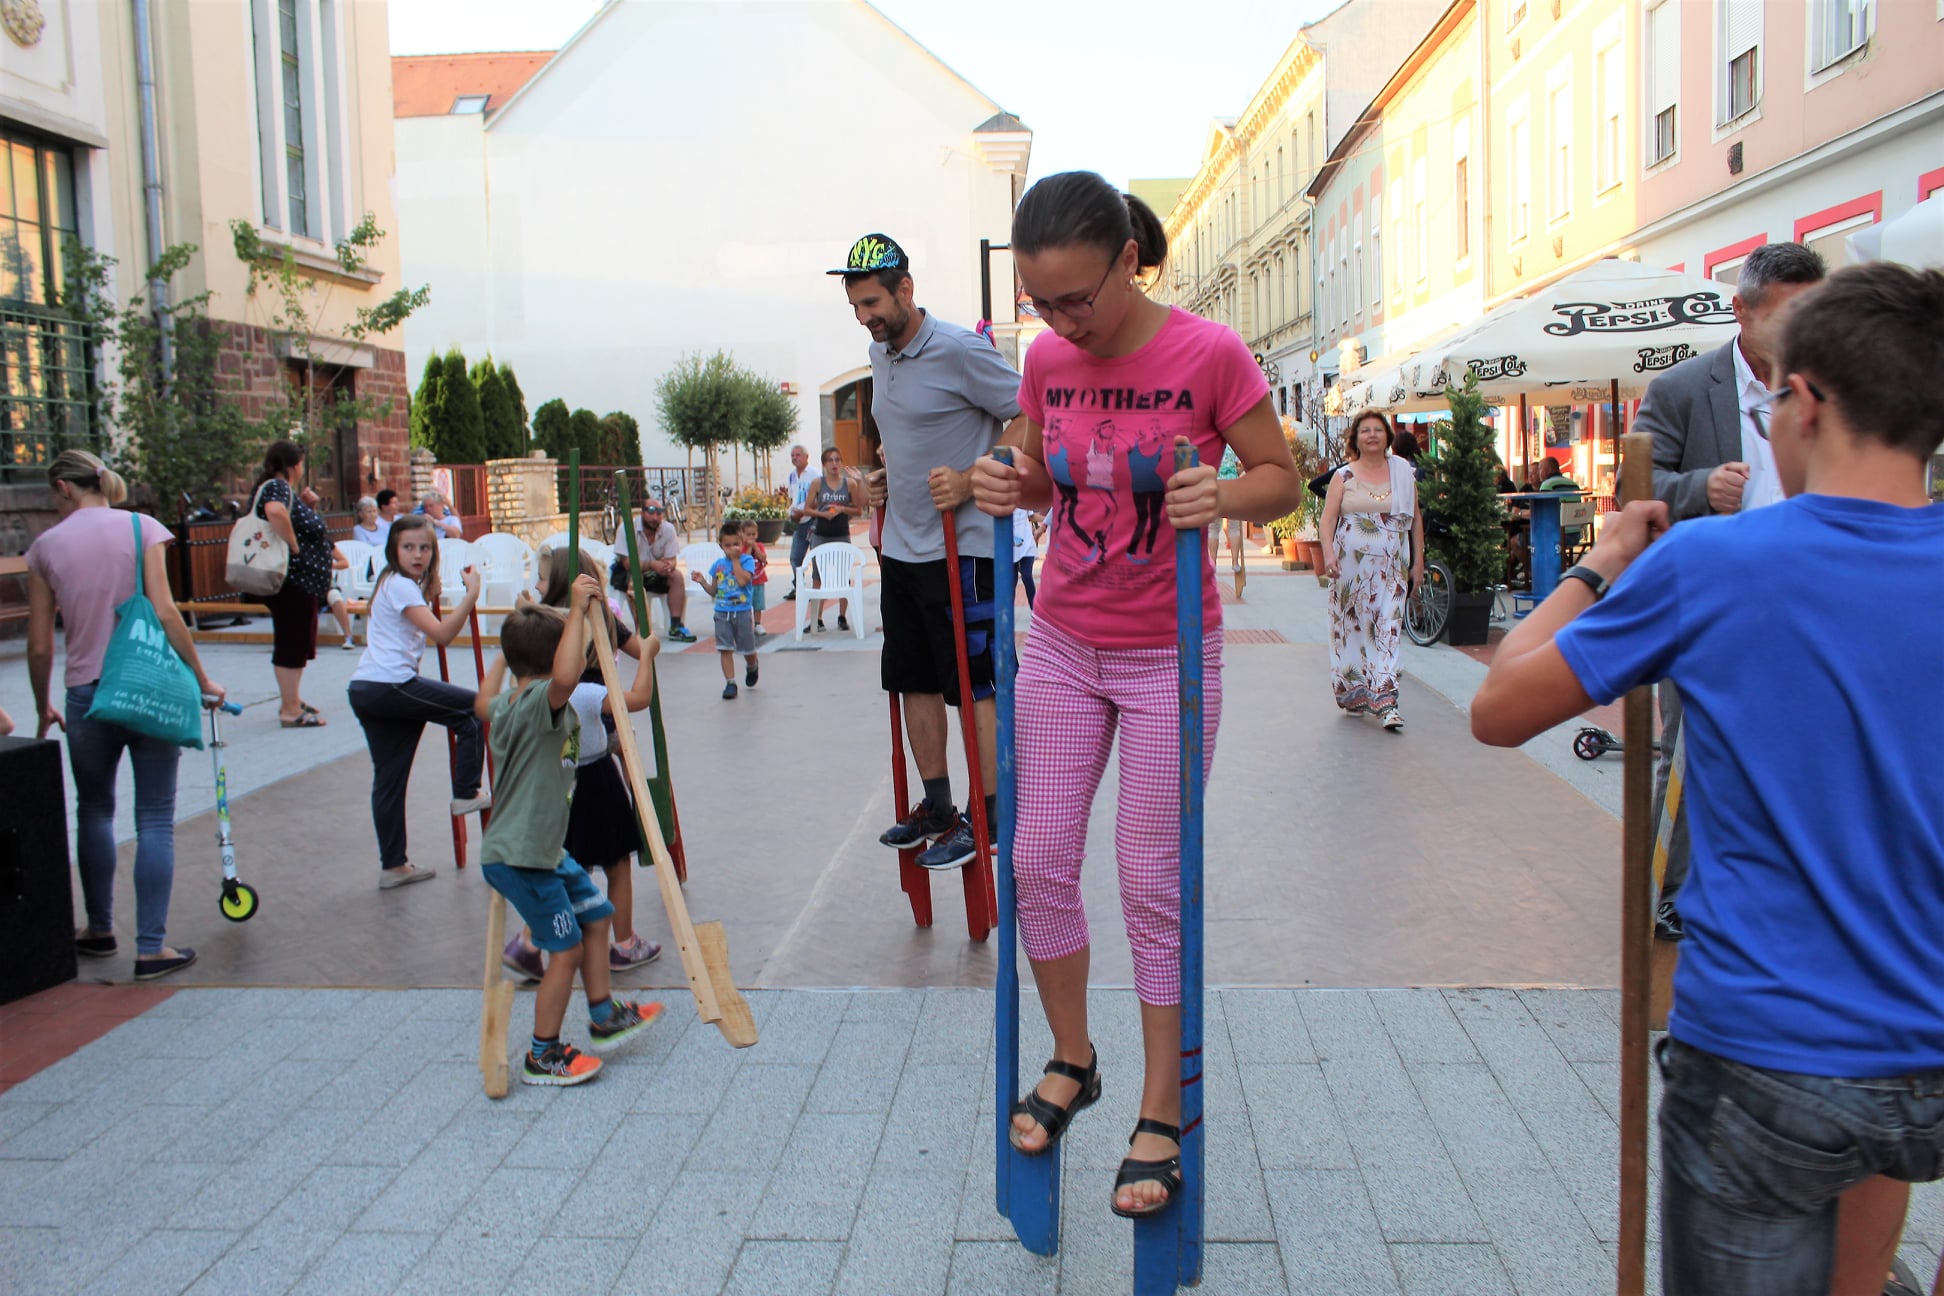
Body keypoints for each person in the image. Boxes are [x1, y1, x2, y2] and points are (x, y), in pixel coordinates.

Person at [1471, 263, 1944, 1296]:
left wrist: (1600, 563)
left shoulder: (1719, 564)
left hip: (1766, 1049)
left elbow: (1499, 707)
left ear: (1805, 401)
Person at [969, 171, 1301, 1218]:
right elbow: (1041, 472)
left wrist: (1222, 492)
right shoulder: (1047, 361)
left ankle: (1163, 1105)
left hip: (1168, 654)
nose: (1064, 322)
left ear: (1127, 261)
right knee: (1034, 862)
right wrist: (1004, 477)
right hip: (1065, 641)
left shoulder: (1210, 352)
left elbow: (1282, 479)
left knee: (1151, 879)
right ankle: (1075, 1056)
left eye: (1078, 298)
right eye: (1043, 304)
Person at [1637, 241, 1826, 939]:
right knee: (1692, 751)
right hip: (1710, 604)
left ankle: (1776, 889)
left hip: (1806, 600)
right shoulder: (1685, 388)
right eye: (1786, 315)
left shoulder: (1827, 387)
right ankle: (1668, 892)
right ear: (1741, 311)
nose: (1800, 331)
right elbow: (1636, 485)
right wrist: (1700, 487)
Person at [832, 231, 1022, 871]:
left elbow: (1029, 415)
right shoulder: (879, 354)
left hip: (964, 550)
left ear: (906, 290)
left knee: (975, 685)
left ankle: (989, 814)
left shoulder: (962, 351)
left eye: (872, 303)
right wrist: (883, 478)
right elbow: (910, 436)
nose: (865, 317)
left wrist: (972, 479)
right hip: (904, 548)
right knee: (911, 677)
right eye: (856, 306)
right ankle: (938, 806)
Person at [26, 449, 225, 980]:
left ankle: (99, 928)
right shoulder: (142, 529)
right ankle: (151, 947)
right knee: (154, 816)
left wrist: (42, 704)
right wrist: (202, 678)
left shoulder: (45, 547)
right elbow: (165, 611)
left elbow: (40, 645)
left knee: (93, 810)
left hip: (86, 694)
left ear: (64, 488)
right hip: (146, 687)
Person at [476, 582, 664, 1086]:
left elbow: (481, 701)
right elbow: (564, 675)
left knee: (597, 916)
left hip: (545, 851)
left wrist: (508, 648)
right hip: (521, 856)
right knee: (566, 950)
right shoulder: (543, 701)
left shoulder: (510, 702)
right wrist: (577, 610)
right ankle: (543, 1054)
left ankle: (603, 1014)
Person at [504, 549, 664, 980]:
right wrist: (648, 654)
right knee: (616, 859)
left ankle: (529, 941)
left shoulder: (536, 675)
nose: (538, 585)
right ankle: (623, 942)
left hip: (556, 776)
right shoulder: (588, 686)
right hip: (593, 767)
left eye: (541, 578)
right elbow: (640, 695)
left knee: (564, 862)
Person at [345, 515, 490, 890]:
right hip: (390, 685)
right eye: (408, 547)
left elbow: (409, 620)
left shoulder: (393, 584)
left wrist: (428, 592)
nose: (417, 554)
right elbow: (442, 634)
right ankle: (466, 792)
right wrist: (472, 594)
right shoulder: (401, 585)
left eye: (425, 548)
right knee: (474, 709)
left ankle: (393, 866)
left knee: (389, 780)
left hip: (366, 688)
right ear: (393, 549)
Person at [1318, 408, 1423, 731]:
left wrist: (1418, 563)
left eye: (1378, 429)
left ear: (1387, 436)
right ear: (1356, 438)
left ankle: (1386, 700)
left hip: (1392, 568)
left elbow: (1416, 520)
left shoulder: (1403, 473)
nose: (1372, 435)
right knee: (1353, 629)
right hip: (1350, 571)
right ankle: (1355, 693)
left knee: (1388, 627)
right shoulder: (1343, 476)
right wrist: (1328, 555)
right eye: (1365, 430)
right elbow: (1328, 520)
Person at [253, 440, 335, 728]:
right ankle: (289, 709)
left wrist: (307, 507)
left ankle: (293, 699)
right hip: (293, 581)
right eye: (300, 463)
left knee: (299, 641)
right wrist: (294, 545)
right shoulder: (277, 487)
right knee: (291, 641)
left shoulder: (282, 490)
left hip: (301, 583)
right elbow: (275, 511)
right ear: (292, 466)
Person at [803, 446, 861, 631]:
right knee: (818, 578)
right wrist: (823, 514)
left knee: (843, 577)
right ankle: (817, 619)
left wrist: (843, 509)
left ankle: (842, 616)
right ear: (824, 464)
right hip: (821, 534)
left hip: (841, 533)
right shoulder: (818, 483)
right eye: (830, 460)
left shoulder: (849, 484)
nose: (834, 464)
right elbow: (807, 509)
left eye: (837, 460)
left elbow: (858, 510)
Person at [698, 521, 758, 700]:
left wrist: (736, 561)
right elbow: (714, 591)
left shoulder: (747, 561)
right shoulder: (717, 565)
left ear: (742, 543)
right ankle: (730, 682)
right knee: (725, 648)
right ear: (721, 546)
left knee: (747, 648)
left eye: (736, 544)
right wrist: (702, 582)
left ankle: (752, 665)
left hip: (742, 612)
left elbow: (742, 581)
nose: (732, 549)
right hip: (722, 612)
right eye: (728, 545)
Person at [629, 500, 696, 643]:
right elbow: (626, 563)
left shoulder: (668, 529)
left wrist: (668, 566)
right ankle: (641, 629)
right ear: (642, 513)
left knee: (676, 576)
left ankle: (676, 626)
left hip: (657, 574)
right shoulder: (628, 529)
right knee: (629, 582)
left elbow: (672, 560)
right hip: (633, 573)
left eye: (659, 513)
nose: (655, 517)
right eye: (651, 512)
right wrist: (652, 565)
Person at [783, 444, 813, 600]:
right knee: (795, 557)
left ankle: (818, 587)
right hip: (798, 522)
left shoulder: (814, 474)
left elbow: (818, 497)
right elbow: (791, 497)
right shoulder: (792, 476)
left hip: (812, 520)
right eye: (792, 455)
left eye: (798, 455)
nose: (795, 458)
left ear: (806, 457)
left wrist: (805, 511)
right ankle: (798, 587)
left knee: (816, 557)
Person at [738, 518, 770, 637]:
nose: (751, 537)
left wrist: (756, 548)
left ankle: (757, 624)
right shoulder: (741, 548)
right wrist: (749, 547)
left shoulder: (759, 546)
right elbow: (744, 560)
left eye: (753, 534)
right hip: (746, 583)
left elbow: (763, 558)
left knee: (758, 604)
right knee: (745, 604)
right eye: (748, 534)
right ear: (741, 535)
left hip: (759, 580)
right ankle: (745, 624)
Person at [1011, 507, 1042, 607]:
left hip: (1027, 546)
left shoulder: (1024, 501)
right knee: (1011, 581)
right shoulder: (1003, 503)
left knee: (1027, 576)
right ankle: (1008, 610)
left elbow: (1031, 516)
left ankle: (1034, 608)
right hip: (1010, 548)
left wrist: (1048, 519)